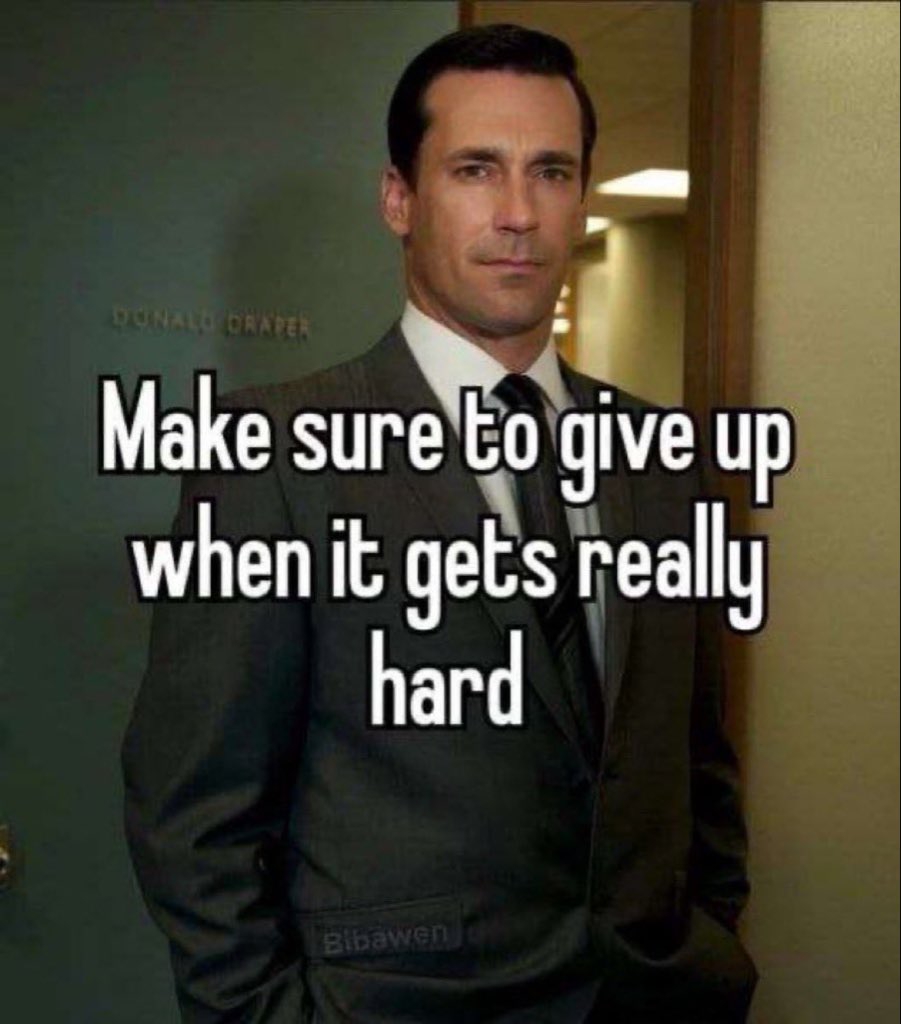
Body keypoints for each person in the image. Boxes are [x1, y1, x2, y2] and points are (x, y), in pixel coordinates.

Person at [122, 23, 757, 1024]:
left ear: (580, 197)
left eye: (551, 172)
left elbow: (694, 760)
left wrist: (708, 936)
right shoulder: (270, 460)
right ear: (398, 199)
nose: (518, 213)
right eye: (475, 169)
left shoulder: (663, 463)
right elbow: (194, 811)